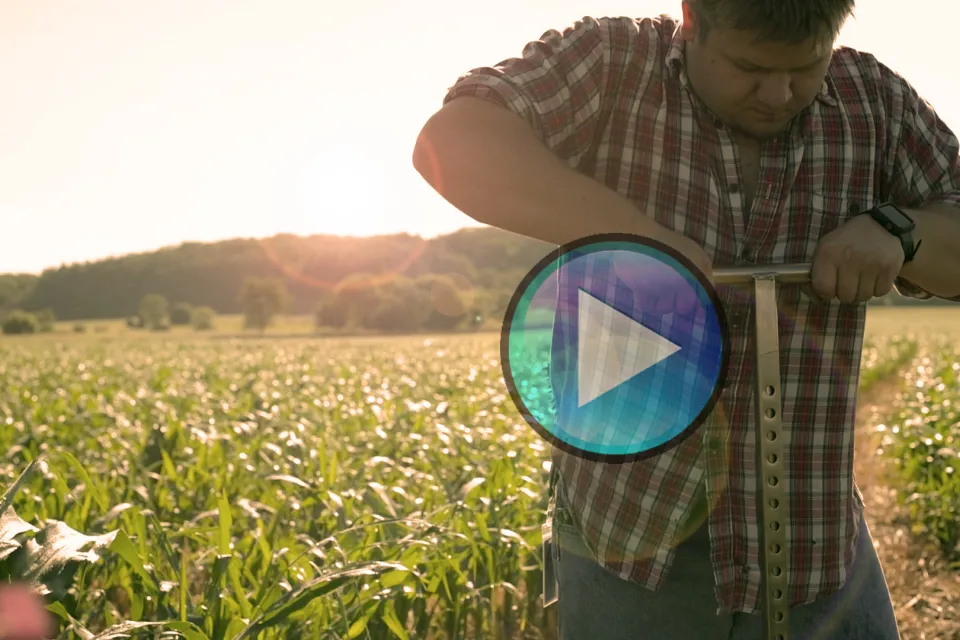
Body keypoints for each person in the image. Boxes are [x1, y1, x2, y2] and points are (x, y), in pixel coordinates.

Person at [412, 1, 960, 638]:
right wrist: (639, 239)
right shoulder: (613, 63)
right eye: (749, 68)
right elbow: (452, 144)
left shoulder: (876, 101)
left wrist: (903, 231)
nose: (778, 93)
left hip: (817, 541)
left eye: (805, 67)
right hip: (632, 544)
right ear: (692, 20)